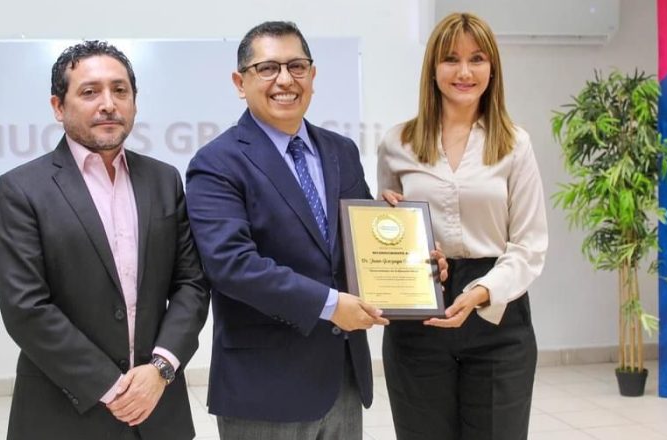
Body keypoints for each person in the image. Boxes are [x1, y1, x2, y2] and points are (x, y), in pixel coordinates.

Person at [185, 21, 417, 440]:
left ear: (313, 76)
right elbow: (231, 265)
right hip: (264, 386)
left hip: (342, 376)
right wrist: (329, 305)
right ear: (241, 82)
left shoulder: (340, 151)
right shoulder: (216, 162)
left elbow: (356, 247)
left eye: (297, 66)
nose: (285, 80)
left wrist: (411, 259)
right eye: (268, 68)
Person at [0, 40, 209, 440]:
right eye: (90, 92)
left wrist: (160, 369)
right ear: (58, 107)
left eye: (120, 90)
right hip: (65, 411)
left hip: (159, 408)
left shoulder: (163, 180)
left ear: (134, 103)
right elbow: (26, 307)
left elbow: (190, 284)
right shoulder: (22, 189)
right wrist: (112, 387)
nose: (108, 103)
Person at [377, 12, 548, 440]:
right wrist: (384, 220)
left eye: (477, 59)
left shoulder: (514, 143)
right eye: (451, 59)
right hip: (419, 313)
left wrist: (479, 292)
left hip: (496, 313)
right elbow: (387, 228)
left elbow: (529, 244)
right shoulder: (397, 143)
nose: (465, 72)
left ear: (493, 68)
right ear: (433, 68)